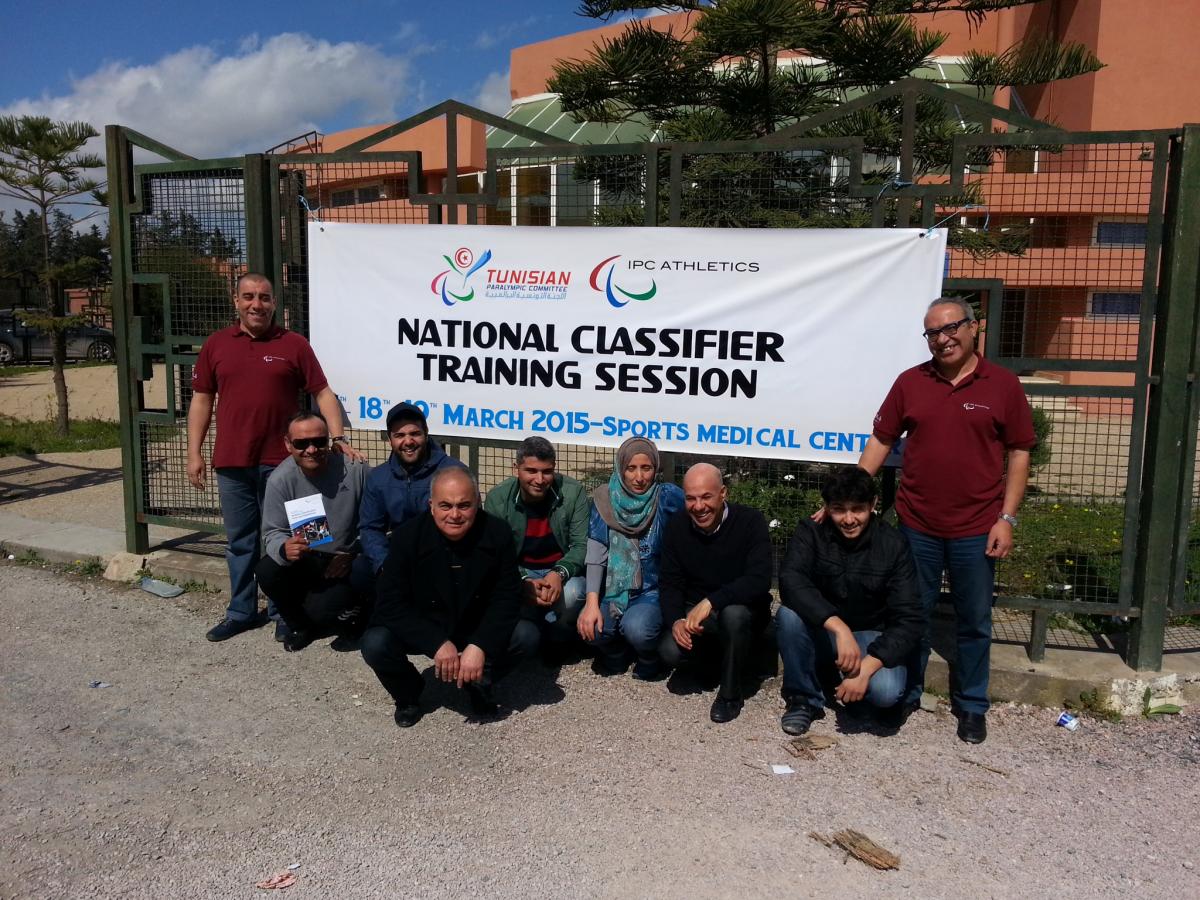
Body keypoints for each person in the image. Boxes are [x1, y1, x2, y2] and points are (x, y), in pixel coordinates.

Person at [857, 296, 1036, 744]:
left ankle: (972, 705)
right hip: (917, 525)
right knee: (910, 613)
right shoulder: (911, 382)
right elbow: (881, 440)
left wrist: (1007, 518)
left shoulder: (1003, 385)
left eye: (952, 327)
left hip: (977, 528)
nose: (943, 338)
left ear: (974, 328)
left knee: (974, 619)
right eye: (933, 332)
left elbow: (1019, 453)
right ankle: (907, 694)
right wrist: (851, 494)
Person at [187, 273, 360, 643]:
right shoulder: (216, 345)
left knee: (295, 541)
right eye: (248, 297)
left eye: (264, 298)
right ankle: (241, 611)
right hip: (233, 461)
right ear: (235, 301)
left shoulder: (293, 344)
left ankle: (286, 611)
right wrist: (194, 452)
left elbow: (323, 393)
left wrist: (339, 436)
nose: (256, 304)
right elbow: (201, 400)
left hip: (285, 466)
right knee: (241, 541)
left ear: (274, 303)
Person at [359, 467, 530, 727]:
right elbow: (389, 602)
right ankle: (409, 694)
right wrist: (436, 642)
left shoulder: (498, 534)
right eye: (445, 505)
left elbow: (507, 596)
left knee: (526, 636)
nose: (455, 515)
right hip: (427, 622)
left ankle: (479, 680)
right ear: (431, 506)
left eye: (464, 505)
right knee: (375, 643)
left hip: (473, 624)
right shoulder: (407, 537)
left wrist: (480, 645)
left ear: (477, 503)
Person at [777, 466, 924, 736]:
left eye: (857, 509)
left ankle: (848, 681)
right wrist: (838, 626)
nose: (848, 519)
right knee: (788, 616)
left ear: (873, 505)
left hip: (871, 636)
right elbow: (791, 580)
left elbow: (909, 618)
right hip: (828, 630)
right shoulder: (811, 531)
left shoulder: (893, 544)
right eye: (838, 509)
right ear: (826, 507)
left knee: (886, 693)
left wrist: (868, 667)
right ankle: (803, 699)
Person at [657, 463, 772, 723]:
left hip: (743, 610)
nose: (699, 506)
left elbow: (759, 579)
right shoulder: (677, 527)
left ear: (723, 494)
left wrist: (711, 601)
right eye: (691, 498)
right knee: (669, 650)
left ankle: (731, 694)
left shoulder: (750, 521)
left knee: (733, 615)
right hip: (699, 613)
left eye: (706, 496)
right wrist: (675, 619)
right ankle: (718, 665)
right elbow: (670, 582)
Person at [255, 412, 372, 653]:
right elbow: (272, 532)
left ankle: (356, 617)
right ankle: (301, 626)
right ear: (288, 444)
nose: (311, 449)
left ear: (329, 440)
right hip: (308, 556)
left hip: (345, 558)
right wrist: (283, 548)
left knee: (327, 610)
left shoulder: (355, 469)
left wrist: (354, 552)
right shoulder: (280, 479)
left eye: (319, 441)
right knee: (266, 570)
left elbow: (376, 522)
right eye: (301, 443)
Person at [577, 437, 685, 679]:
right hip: (613, 591)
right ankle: (616, 654)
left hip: (652, 591)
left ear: (655, 468)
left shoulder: (666, 498)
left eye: (646, 468)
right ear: (621, 468)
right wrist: (592, 603)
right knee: (591, 627)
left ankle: (649, 656)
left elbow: (695, 518)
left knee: (638, 629)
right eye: (631, 468)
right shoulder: (605, 499)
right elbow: (596, 554)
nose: (639, 477)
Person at [484, 436, 589, 661]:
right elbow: (498, 555)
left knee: (574, 594)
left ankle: (558, 639)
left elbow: (581, 545)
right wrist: (523, 581)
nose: (540, 479)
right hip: (522, 570)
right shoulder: (497, 499)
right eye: (531, 471)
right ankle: (533, 629)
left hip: (558, 569)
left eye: (547, 471)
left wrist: (558, 573)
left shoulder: (573, 492)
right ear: (516, 469)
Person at [358, 401, 465, 575]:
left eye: (415, 434)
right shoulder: (378, 477)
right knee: (360, 571)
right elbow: (370, 528)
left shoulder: (454, 472)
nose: (408, 441)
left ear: (426, 433)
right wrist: (384, 563)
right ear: (390, 438)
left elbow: (467, 522)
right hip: (396, 556)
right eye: (399, 435)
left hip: (442, 557)